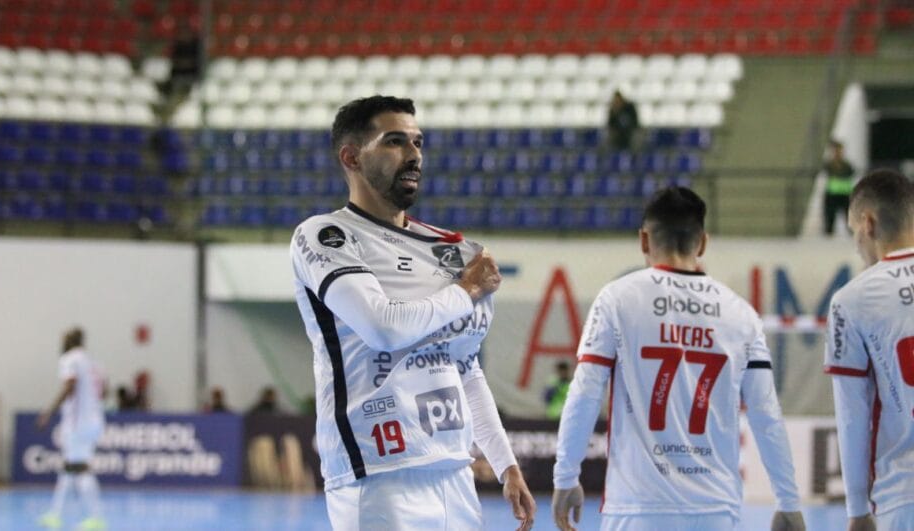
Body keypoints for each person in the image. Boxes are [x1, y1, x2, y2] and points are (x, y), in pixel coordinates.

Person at [291, 95, 535, 531]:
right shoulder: (326, 235)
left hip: (453, 473)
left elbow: (464, 368)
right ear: (351, 157)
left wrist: (505, 463)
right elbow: (382, 327)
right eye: (395, 142)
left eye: (418, 142)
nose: (414, 155)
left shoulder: (458, 252)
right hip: (376, 476)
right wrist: (465, 291)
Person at [552, 187, 805, 531]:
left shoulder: (617, 299)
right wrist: (788, 500)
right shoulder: (742, 315)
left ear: (644, 240)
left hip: (636, 507)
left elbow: (585, 391)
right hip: (716, 507)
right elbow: (765, 413)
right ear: (702, 243)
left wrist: (566, 475)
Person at [824, 169, 914, 531]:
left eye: (851, 231)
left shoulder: (852, 300)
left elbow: (852, 416)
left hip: (902, 494)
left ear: (868, 223)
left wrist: (857, 508)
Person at [36, 328, 106, 530]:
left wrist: (48, 412)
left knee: (79, 468)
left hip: (78, 423)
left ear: (70, 340)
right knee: (69, 467)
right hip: (94, 420)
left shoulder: (70, 359)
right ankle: (54, 513)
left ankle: (96, 517)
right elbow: (104, 389)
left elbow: (69, 386)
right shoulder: (93, 363)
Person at [822, 140, 856, 236]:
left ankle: (851, 236)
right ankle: (828, 236)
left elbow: (850, 173)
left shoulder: (847, 165)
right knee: (830, 218)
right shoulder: (829, 164)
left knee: (848, 217)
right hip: (832, 194)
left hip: (845, 194)